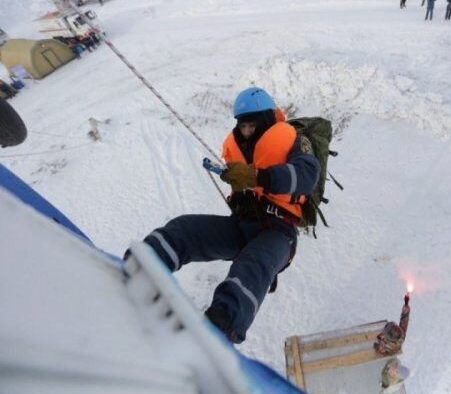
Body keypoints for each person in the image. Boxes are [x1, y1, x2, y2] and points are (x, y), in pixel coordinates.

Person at [128, 87, 320, 344]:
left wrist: (256, 176)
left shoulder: (294, 139)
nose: (246, 132)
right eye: (243, 127)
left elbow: (306, 176)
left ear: (265, 119)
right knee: (185, 229)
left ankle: (220, 327)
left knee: (251, 265)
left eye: (252, 126)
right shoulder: (239, 147)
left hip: (279, 232)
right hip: (243, 225)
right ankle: (141, 266)